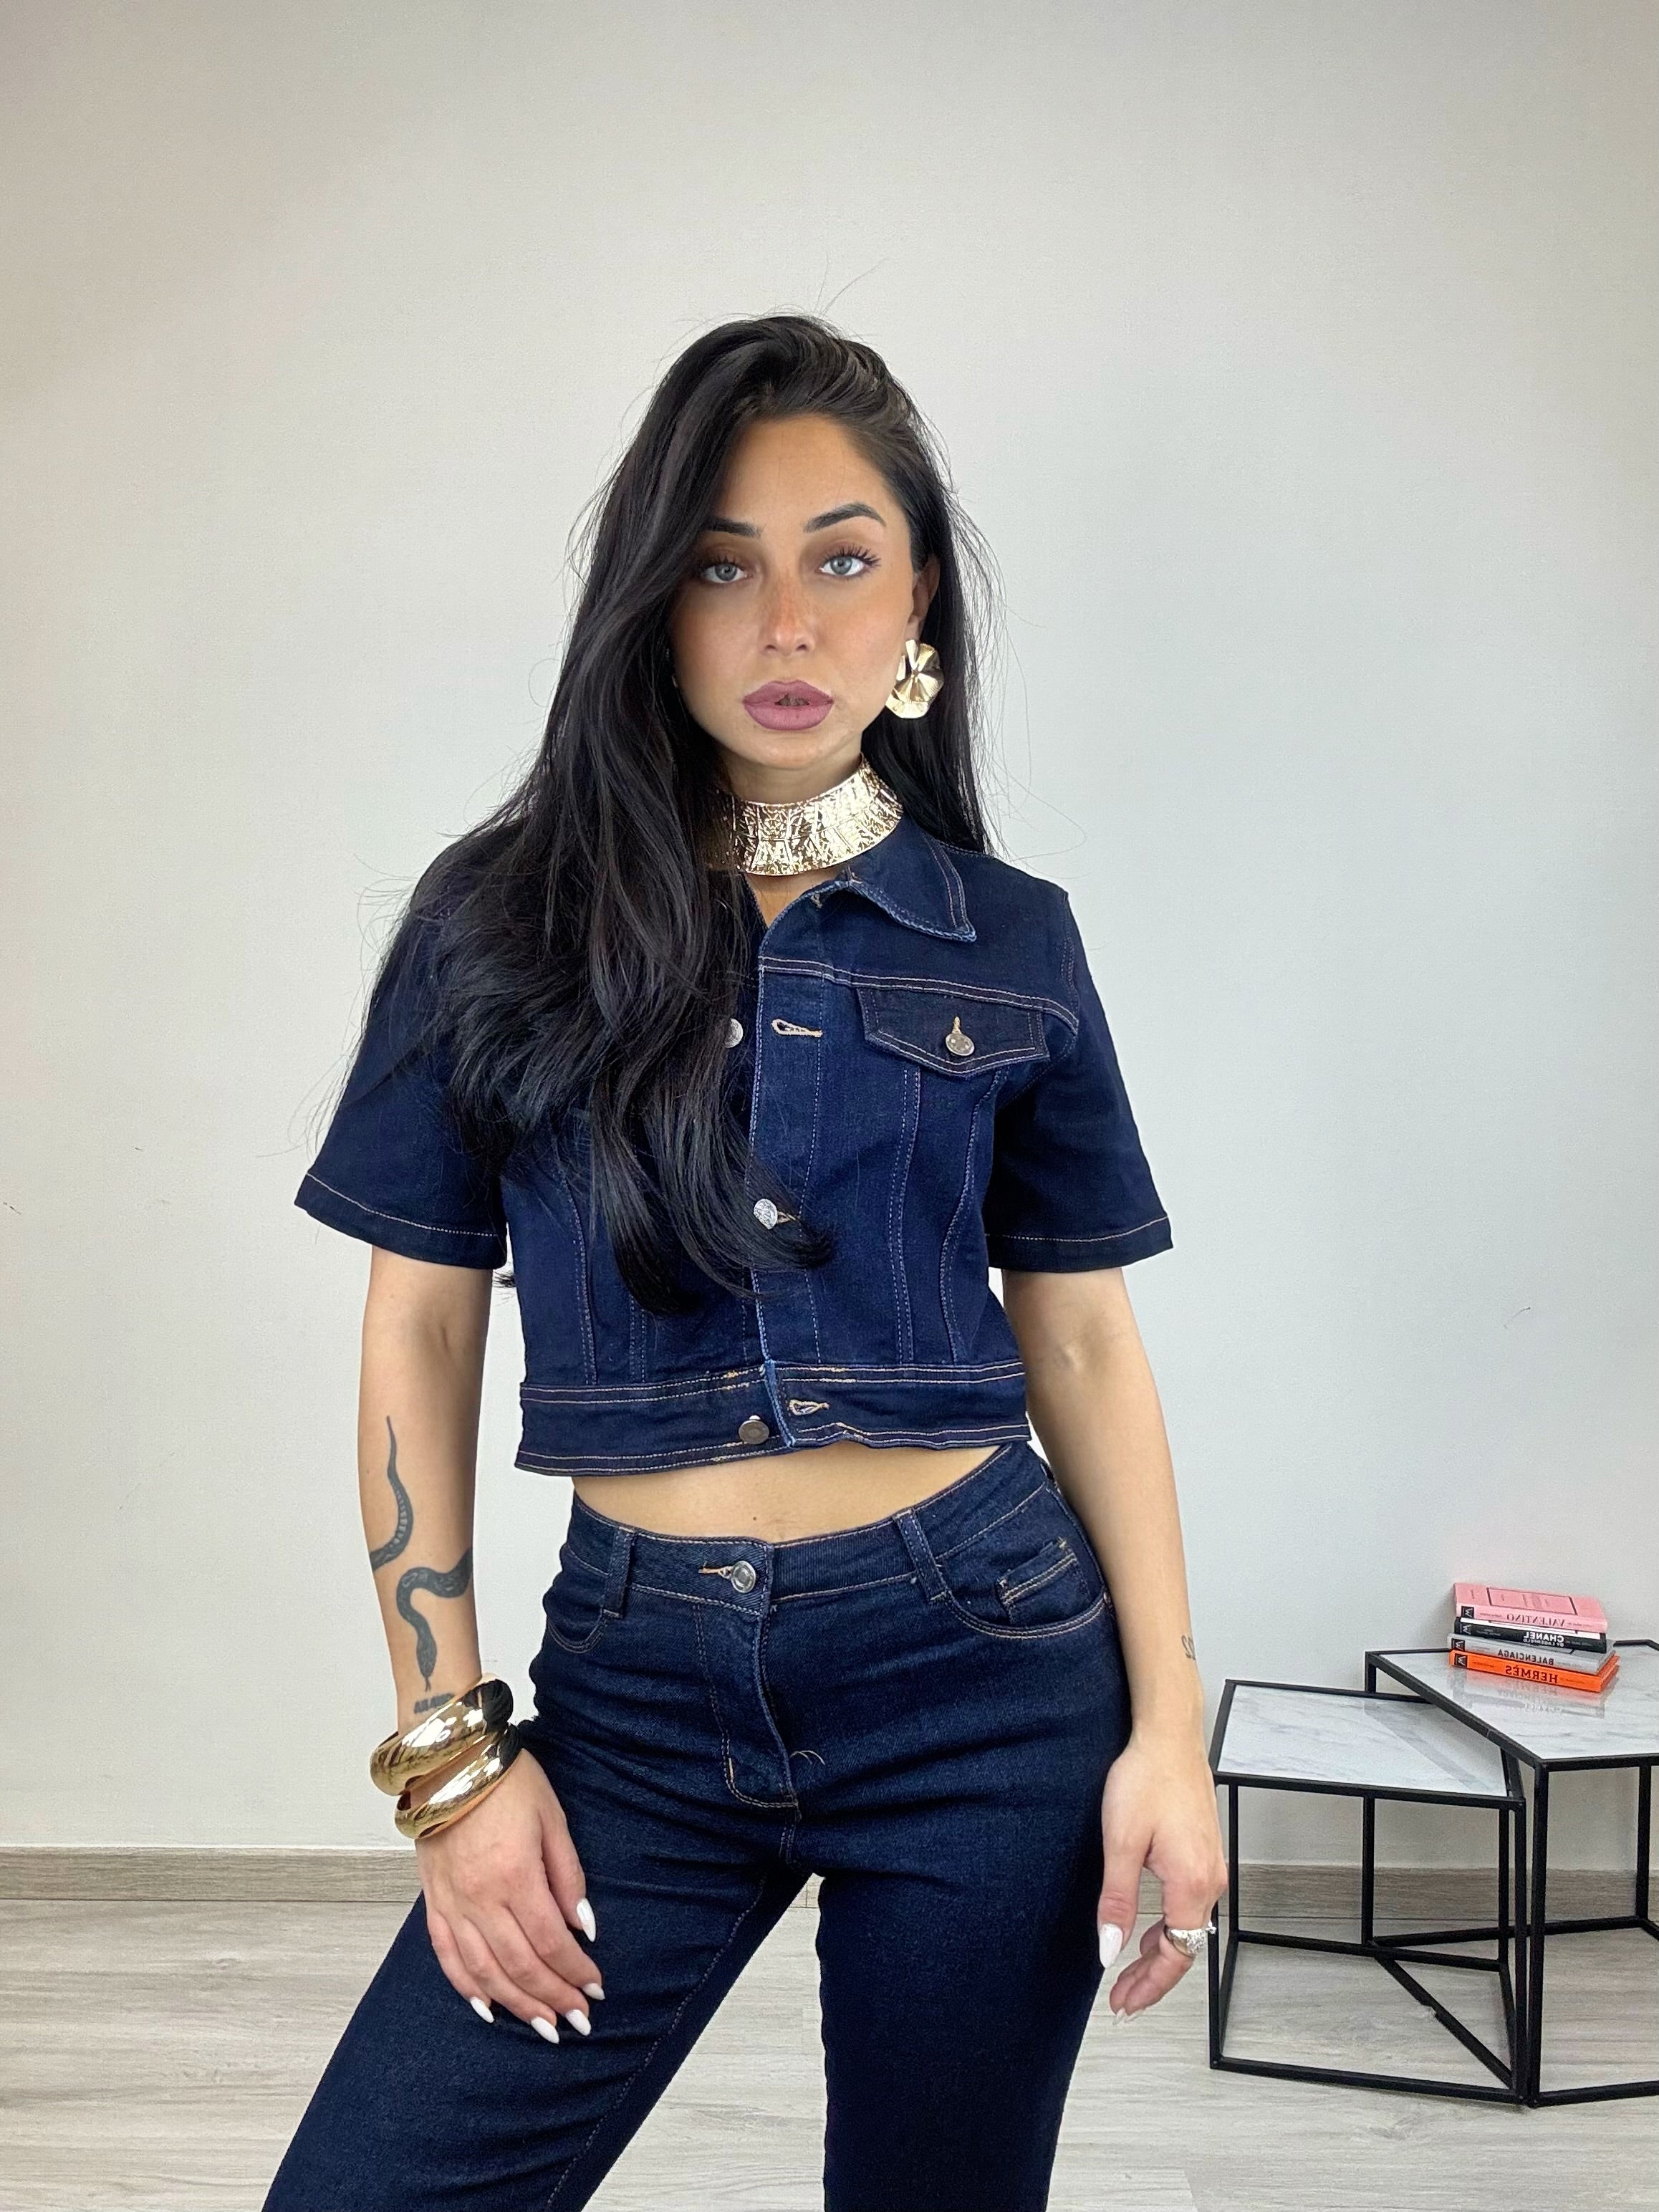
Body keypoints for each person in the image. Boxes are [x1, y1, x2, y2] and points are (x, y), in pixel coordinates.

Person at [265, 312, 1227, 2212]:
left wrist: (1170, 1737)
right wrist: (452, 1766)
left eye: (840, 561)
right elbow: (418, 1336)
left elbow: (1087, 1351)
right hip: (636, 1690)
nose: (786, 624)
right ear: (653, 604)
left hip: (986, 1674)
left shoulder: (1006, 936)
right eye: (721, 567)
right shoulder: (498, 919)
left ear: (918, 599)